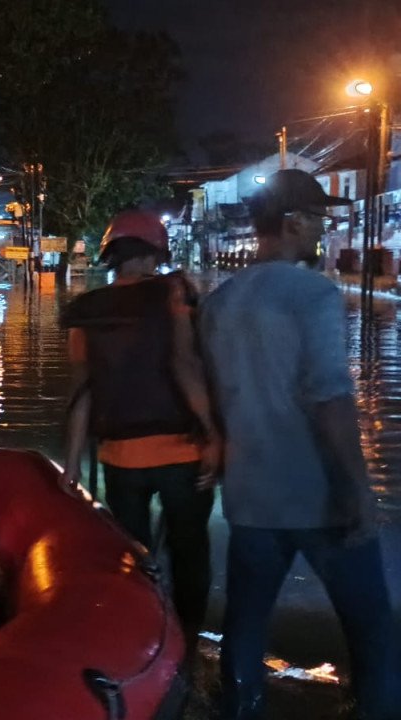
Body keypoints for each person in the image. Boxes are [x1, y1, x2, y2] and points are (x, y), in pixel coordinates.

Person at [199, 169, 398, 720]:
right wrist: (359, 490)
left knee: (246, 621)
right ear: (292, 223)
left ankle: (241, 707)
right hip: (318, 495)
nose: (321, 228)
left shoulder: (220, 303)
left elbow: (215, 397)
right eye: (315, 218)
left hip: (249, 495)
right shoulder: (313, 293)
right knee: (372, 627)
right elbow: (329, 398)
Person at [60, 209, 221, 648]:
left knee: (132, 557)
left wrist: (71, 469)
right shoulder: (173, 294)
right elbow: (186, 365)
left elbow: (81, 393)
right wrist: (212, 432)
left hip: (120, 459)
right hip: (182, 455)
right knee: (189, 554)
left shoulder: (87, 311)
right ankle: (185, 641)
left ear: (111, 255)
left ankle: (142, 639)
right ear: (155, 253)